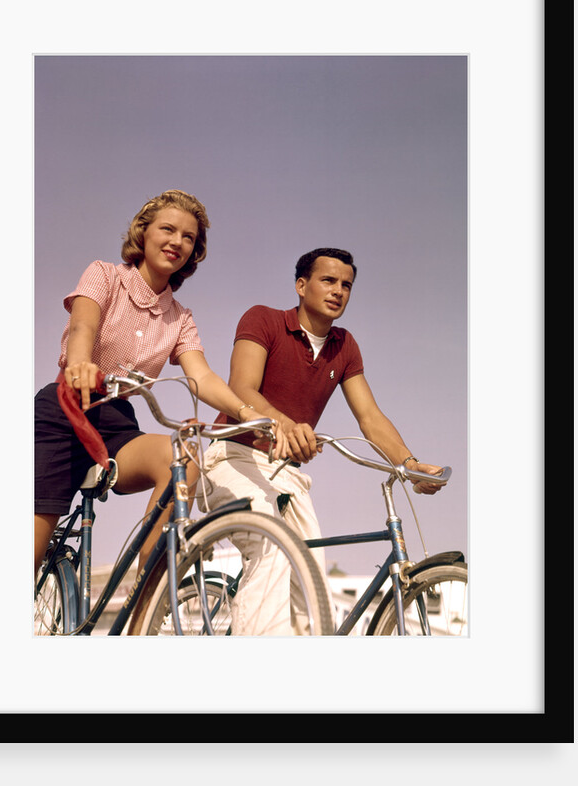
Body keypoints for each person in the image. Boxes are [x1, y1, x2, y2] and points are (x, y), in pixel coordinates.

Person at [197, 246, 445, 635]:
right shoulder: (263, 319)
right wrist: (285, 424)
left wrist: (409, 465)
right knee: (271, 548)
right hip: (233, 456)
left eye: (346, 285)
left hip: (286, 472)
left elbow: (370, 417)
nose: (338, 291)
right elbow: (241, 387)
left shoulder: (344, 345)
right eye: (328, 280)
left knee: (310, 586)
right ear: (301, 285)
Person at [34, 189, 282, 577]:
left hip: (117, 422)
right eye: (168, 229)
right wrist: (80, 364)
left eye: (188, 237)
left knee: (183, 460)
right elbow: (84, 323)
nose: (177, 242)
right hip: (65, 411)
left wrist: (248, 413)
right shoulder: (104, 275)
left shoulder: (180, 317)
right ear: (143, 233)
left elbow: (201, 376)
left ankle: (143, 599)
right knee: (29, 552)